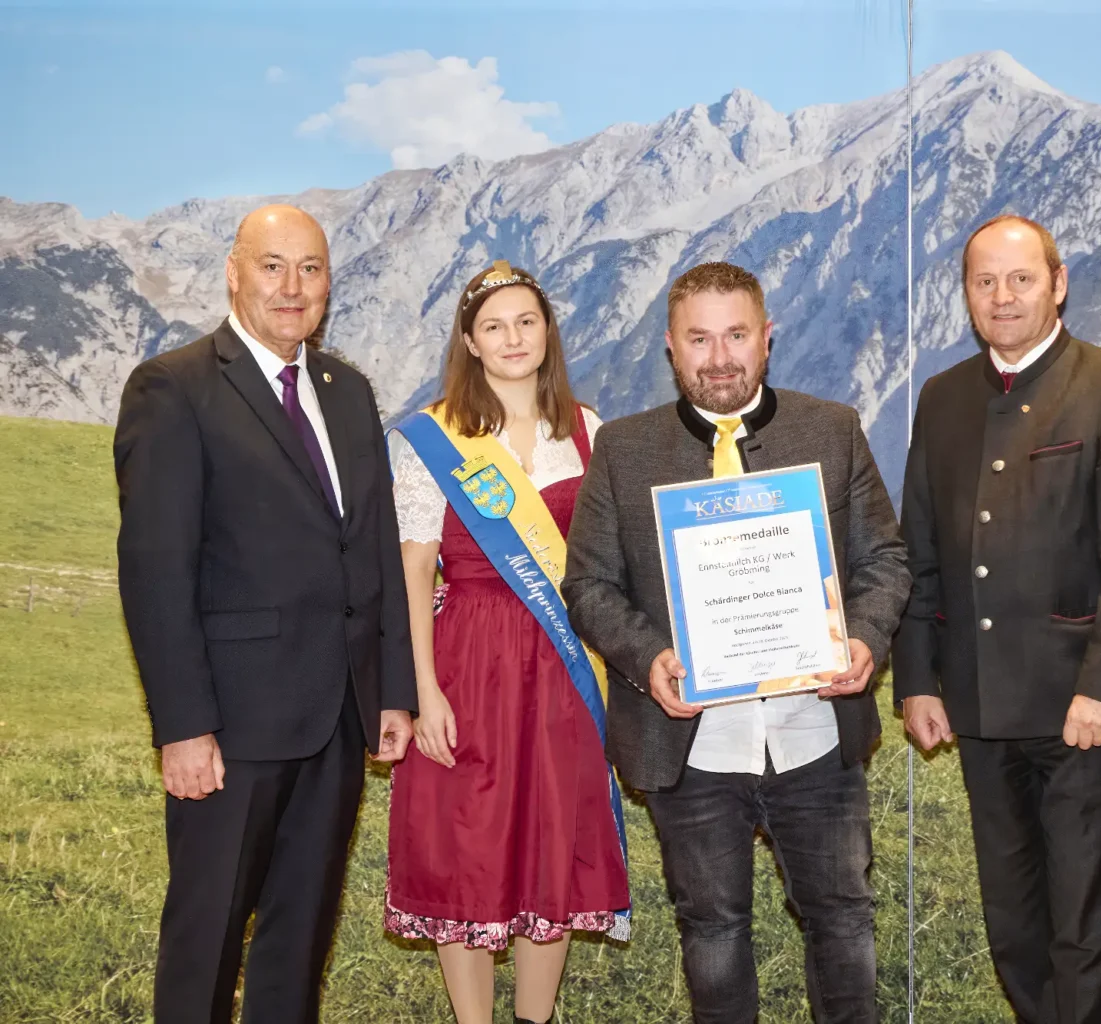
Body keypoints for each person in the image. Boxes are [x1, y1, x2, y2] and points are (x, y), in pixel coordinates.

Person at [562, 261, 910, 1024]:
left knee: (843, 920)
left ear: (766, 337)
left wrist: (862, 638)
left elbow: (884, 559)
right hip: (691, 746)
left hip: (814, 733)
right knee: (712, 932)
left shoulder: (833, 428)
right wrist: (649, 655)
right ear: (670, 347)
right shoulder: (624, 450)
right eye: (699, 339)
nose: (719, 358)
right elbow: (586, 585)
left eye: (736, 335)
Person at [113, 204, 416, 1023]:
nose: (293, 287)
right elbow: (154, 571)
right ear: (233, 272)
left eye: (310, 269)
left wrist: (391, 689)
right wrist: (182, 726)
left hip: (338, 720)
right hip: (230, 728)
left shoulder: (346, 391)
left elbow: (375, 547)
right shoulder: (173, 388)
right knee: (206, 938)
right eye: (273, 265)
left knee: (299, 939)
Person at [893, 215, 1101, 1023]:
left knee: (1086, 923)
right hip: (976, 708)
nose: (1003, 297)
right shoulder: (942, 399)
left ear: (1059, 282)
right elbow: (923, 554)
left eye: (1020, 279)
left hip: (1078, 708)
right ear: (967, 294)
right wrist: (917, 679)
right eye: (985, 282)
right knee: (1012, 922)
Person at [383, 261, 630, 1024]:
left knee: (550, 836)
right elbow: (413, 570)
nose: (513, 338)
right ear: (470, 341)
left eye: (526, 321)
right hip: (465, 661)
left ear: (547, 331)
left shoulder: (587, 431)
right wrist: (421, 692)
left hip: (562, 665)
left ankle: (536, 1017)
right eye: (494, 325)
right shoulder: (430, 436)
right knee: (465, 842)